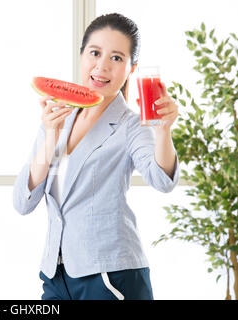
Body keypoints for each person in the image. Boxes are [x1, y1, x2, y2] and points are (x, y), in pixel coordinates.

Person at [12, 13, 180, 300]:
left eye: (116, 58)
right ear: (81, 56)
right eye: (95, 53)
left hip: (110, 275)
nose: (102, 66)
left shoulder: (130, 124)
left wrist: (163, 130)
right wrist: (50, 132)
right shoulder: (56, 117)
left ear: (131, 68)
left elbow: (162, 180)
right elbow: (23, 202)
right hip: (56, 274)